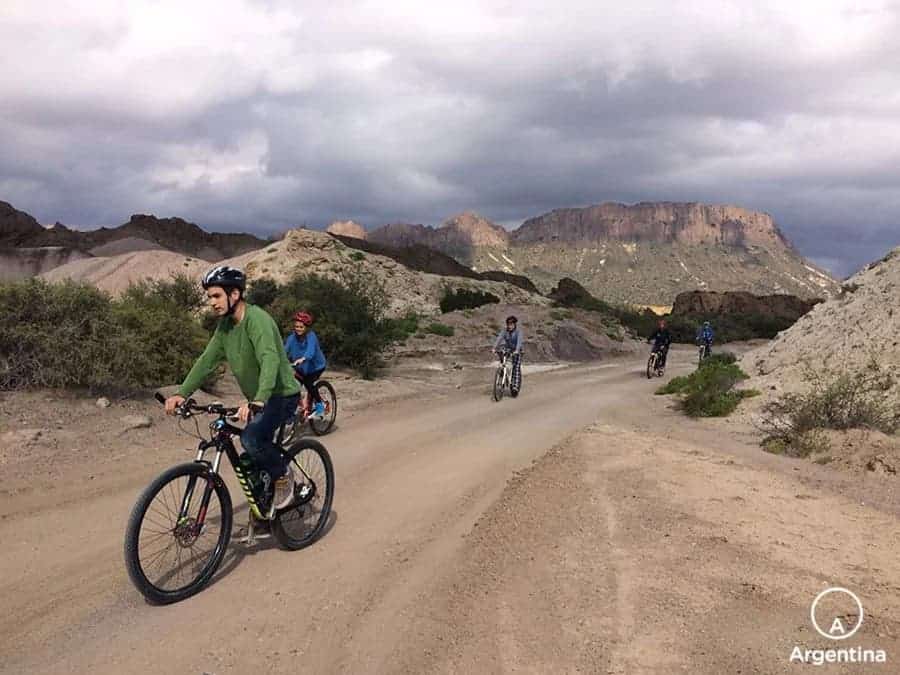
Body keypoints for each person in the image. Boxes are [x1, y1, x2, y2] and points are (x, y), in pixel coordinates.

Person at [164, 266, 302, 514]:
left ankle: (283, 476)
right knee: (250, 452)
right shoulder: (225, 327)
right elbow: (207, 360)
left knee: (251, 439)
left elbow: (269, 359)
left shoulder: (257, 320)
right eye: (209, 298)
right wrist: (182, 393)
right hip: (259, 398)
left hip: (281, 395)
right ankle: (264, 502)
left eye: (216, 296)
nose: (212, 303)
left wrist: (258, 400)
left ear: (234, 294)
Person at [284, 311, 327, 420]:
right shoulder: (292, 338)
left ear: (306, 327)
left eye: (301, 327)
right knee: (291, 386)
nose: (298, 329)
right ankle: (298, 409)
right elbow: (284, 350)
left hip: (316, 367)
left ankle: (320, 407)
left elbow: (310, 351)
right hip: (301, 368)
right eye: (296, 326)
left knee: (308, 382)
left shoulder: (311, 336)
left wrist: (303, 358)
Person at [494, 315, 524, 395]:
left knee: (516, 368)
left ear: (514, 325)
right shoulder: (505, 331)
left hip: (517, 350)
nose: (509, 326)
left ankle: (515, 387)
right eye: (508, 324)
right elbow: (499, 338)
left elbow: (519, 342)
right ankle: (502, 374)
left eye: (511, 324)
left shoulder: (518, 332)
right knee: (502, 362)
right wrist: (494, 348)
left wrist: (517, 350)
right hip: (508, 348)